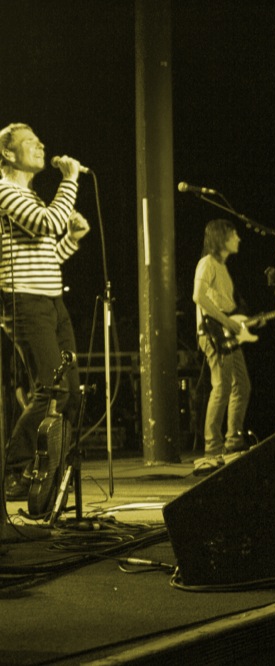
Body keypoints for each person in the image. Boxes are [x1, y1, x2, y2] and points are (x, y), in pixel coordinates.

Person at [0, 123, 89, 501]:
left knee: (70, 394)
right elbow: (48, 223)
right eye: (30, 143)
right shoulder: (4, 190)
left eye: (39, 141)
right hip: (26, 303)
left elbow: (48, 253)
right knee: (51, 389)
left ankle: (50, 478)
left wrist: (72, 239)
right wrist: (70, 180)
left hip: (52, 302)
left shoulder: (31, 195)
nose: (40, 146)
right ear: (7, 154)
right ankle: (14, 469)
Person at [192, 219, 251, 475]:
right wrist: (227, 321)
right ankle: (212, 449)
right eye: (233, 234)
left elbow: (225, 303)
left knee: (242, 385)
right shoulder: (207, 263)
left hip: (226, 333)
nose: (238, 238)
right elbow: (198, 296)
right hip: (213, 333)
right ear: (221, 238)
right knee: (222, 386)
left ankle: (233, 441)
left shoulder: (222, 268)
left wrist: (238, 320)